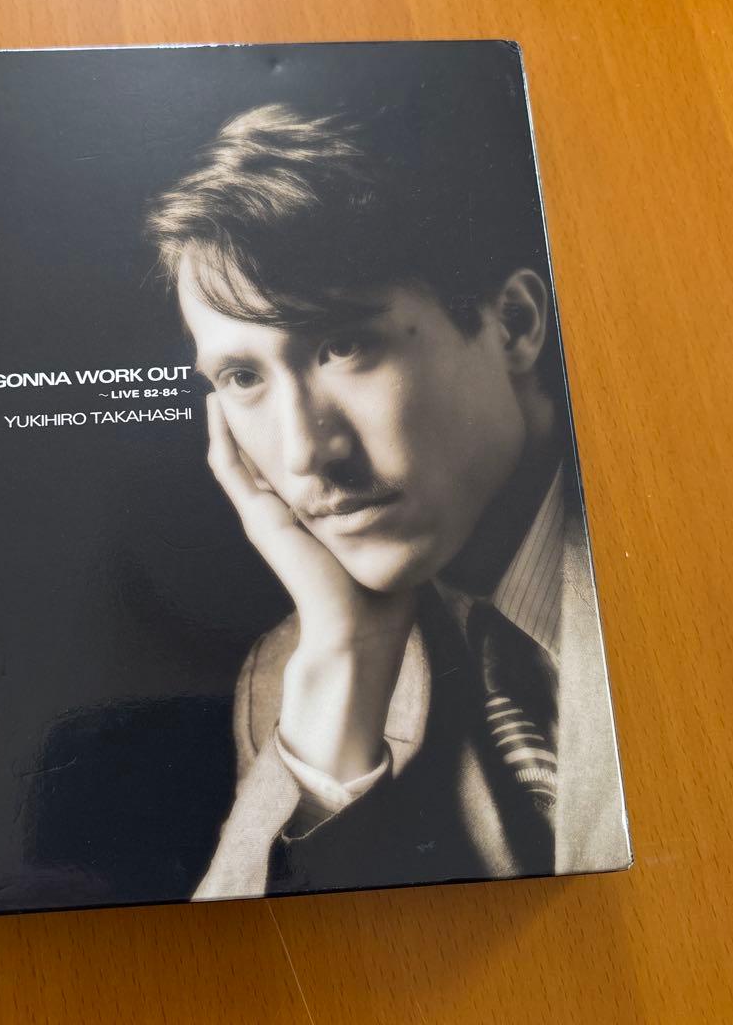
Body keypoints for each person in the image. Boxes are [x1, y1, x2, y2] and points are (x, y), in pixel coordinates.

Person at [145, 101, 630, 900]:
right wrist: (346, 653)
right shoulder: (292, 679)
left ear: (513, 325)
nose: (305, 453)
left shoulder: (704, 558)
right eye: (243, 377)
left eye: (344, 345)